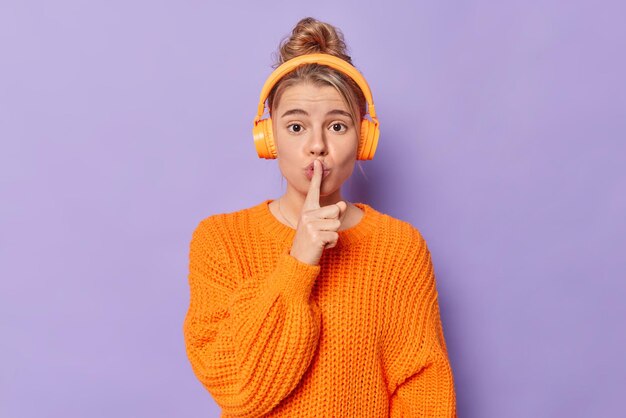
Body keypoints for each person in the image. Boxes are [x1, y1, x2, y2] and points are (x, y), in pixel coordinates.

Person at [183, 17, 457, 417]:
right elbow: (238, 389)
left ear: (363, 139)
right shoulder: (220, 240)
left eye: (338, 126)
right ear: (269, 137)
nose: (317, 145)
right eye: (296, 126)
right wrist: (298, 262)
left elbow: (423, 388)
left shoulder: (400, 248)